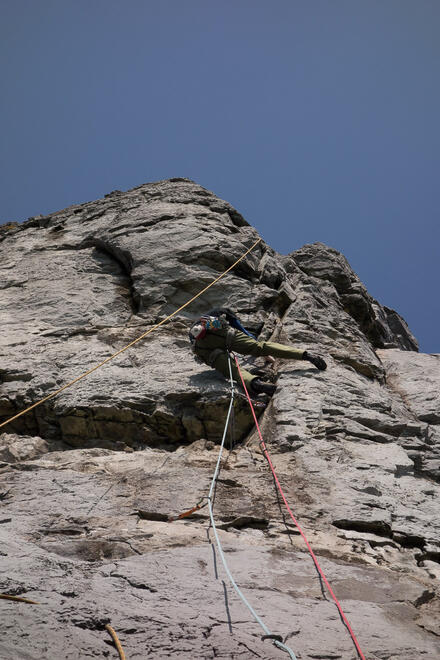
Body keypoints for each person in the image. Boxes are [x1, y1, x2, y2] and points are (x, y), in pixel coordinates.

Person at [189, 307, 327, 396]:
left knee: (235, 370)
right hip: (225, 333)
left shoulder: (194, 332)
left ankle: (256, 384)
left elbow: (200, 353)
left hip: (204, 347)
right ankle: (305, 355)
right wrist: (250, 338)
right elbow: (235, 324)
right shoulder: (217, 312)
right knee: (261, 347)